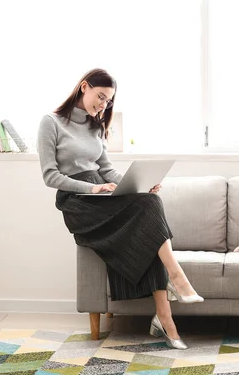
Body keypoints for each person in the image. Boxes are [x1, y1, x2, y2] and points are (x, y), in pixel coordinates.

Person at [37, 68, 203, 350]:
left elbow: (106, 169)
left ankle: (166, 318)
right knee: (149, 211)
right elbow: (50, 176)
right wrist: (92, 188)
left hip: (102, 195)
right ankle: (176, 279)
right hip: (77, 203)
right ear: (84, 87)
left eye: (108, 101)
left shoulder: (95, 126)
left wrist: (138, 184)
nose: (102, 105)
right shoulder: (51, 122)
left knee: (150, 205)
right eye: (100, 97)